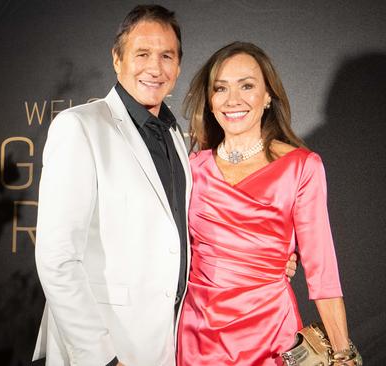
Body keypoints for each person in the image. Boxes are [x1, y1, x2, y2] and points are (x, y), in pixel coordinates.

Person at [33, 6, 297, 366]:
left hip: (171, 345)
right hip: (106, 348)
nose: (154, 68)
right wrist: (101, 358)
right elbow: (57, 259)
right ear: (116, 59)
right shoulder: (80, 127)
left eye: (166, 56)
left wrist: (260, 258)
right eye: (142, 54)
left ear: (178, 65)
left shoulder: (174, 135)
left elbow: (180, 237)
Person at [177, 42, 359, 365]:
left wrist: (343, 354)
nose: (233, 100)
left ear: (267, 96)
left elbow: (323, 273)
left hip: (271, 337)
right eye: (221, 88)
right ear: (210, 99)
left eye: (247, 86)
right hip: (197, 338)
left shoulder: (301, 167)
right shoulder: (191, 169)